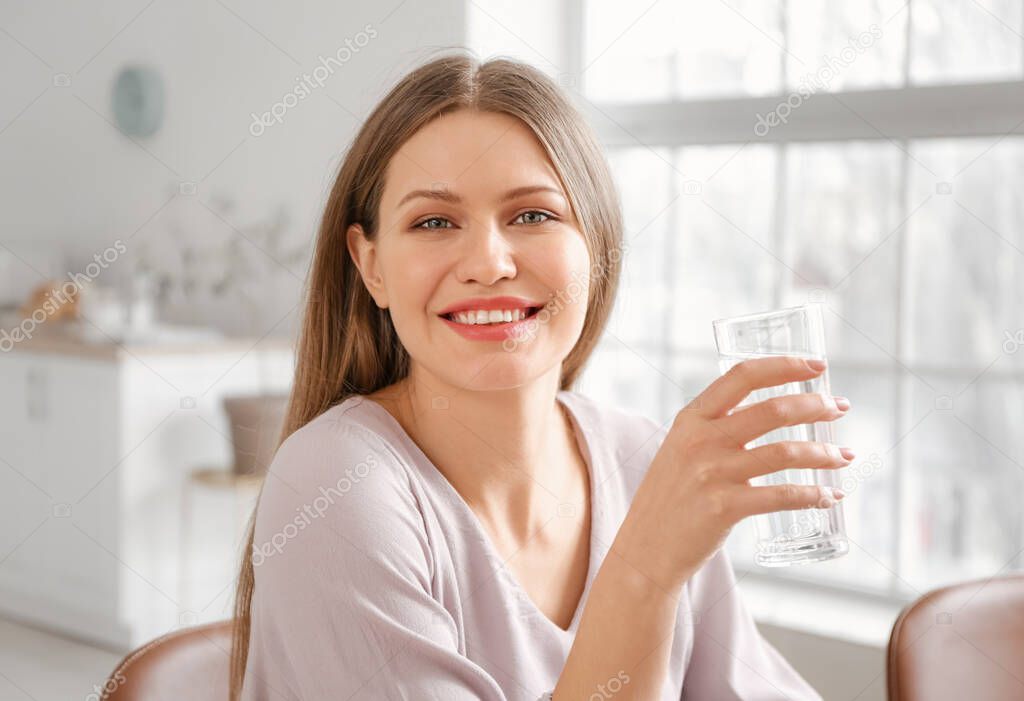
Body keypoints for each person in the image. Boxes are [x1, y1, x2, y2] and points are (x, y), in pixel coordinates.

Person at [232, 51, 851, 701]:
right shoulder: (334, 484)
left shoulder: (640, 458)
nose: (489, 263)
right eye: (434, 221)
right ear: (371, 265)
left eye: (532, 215)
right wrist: (643, 570)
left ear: (598, 245)